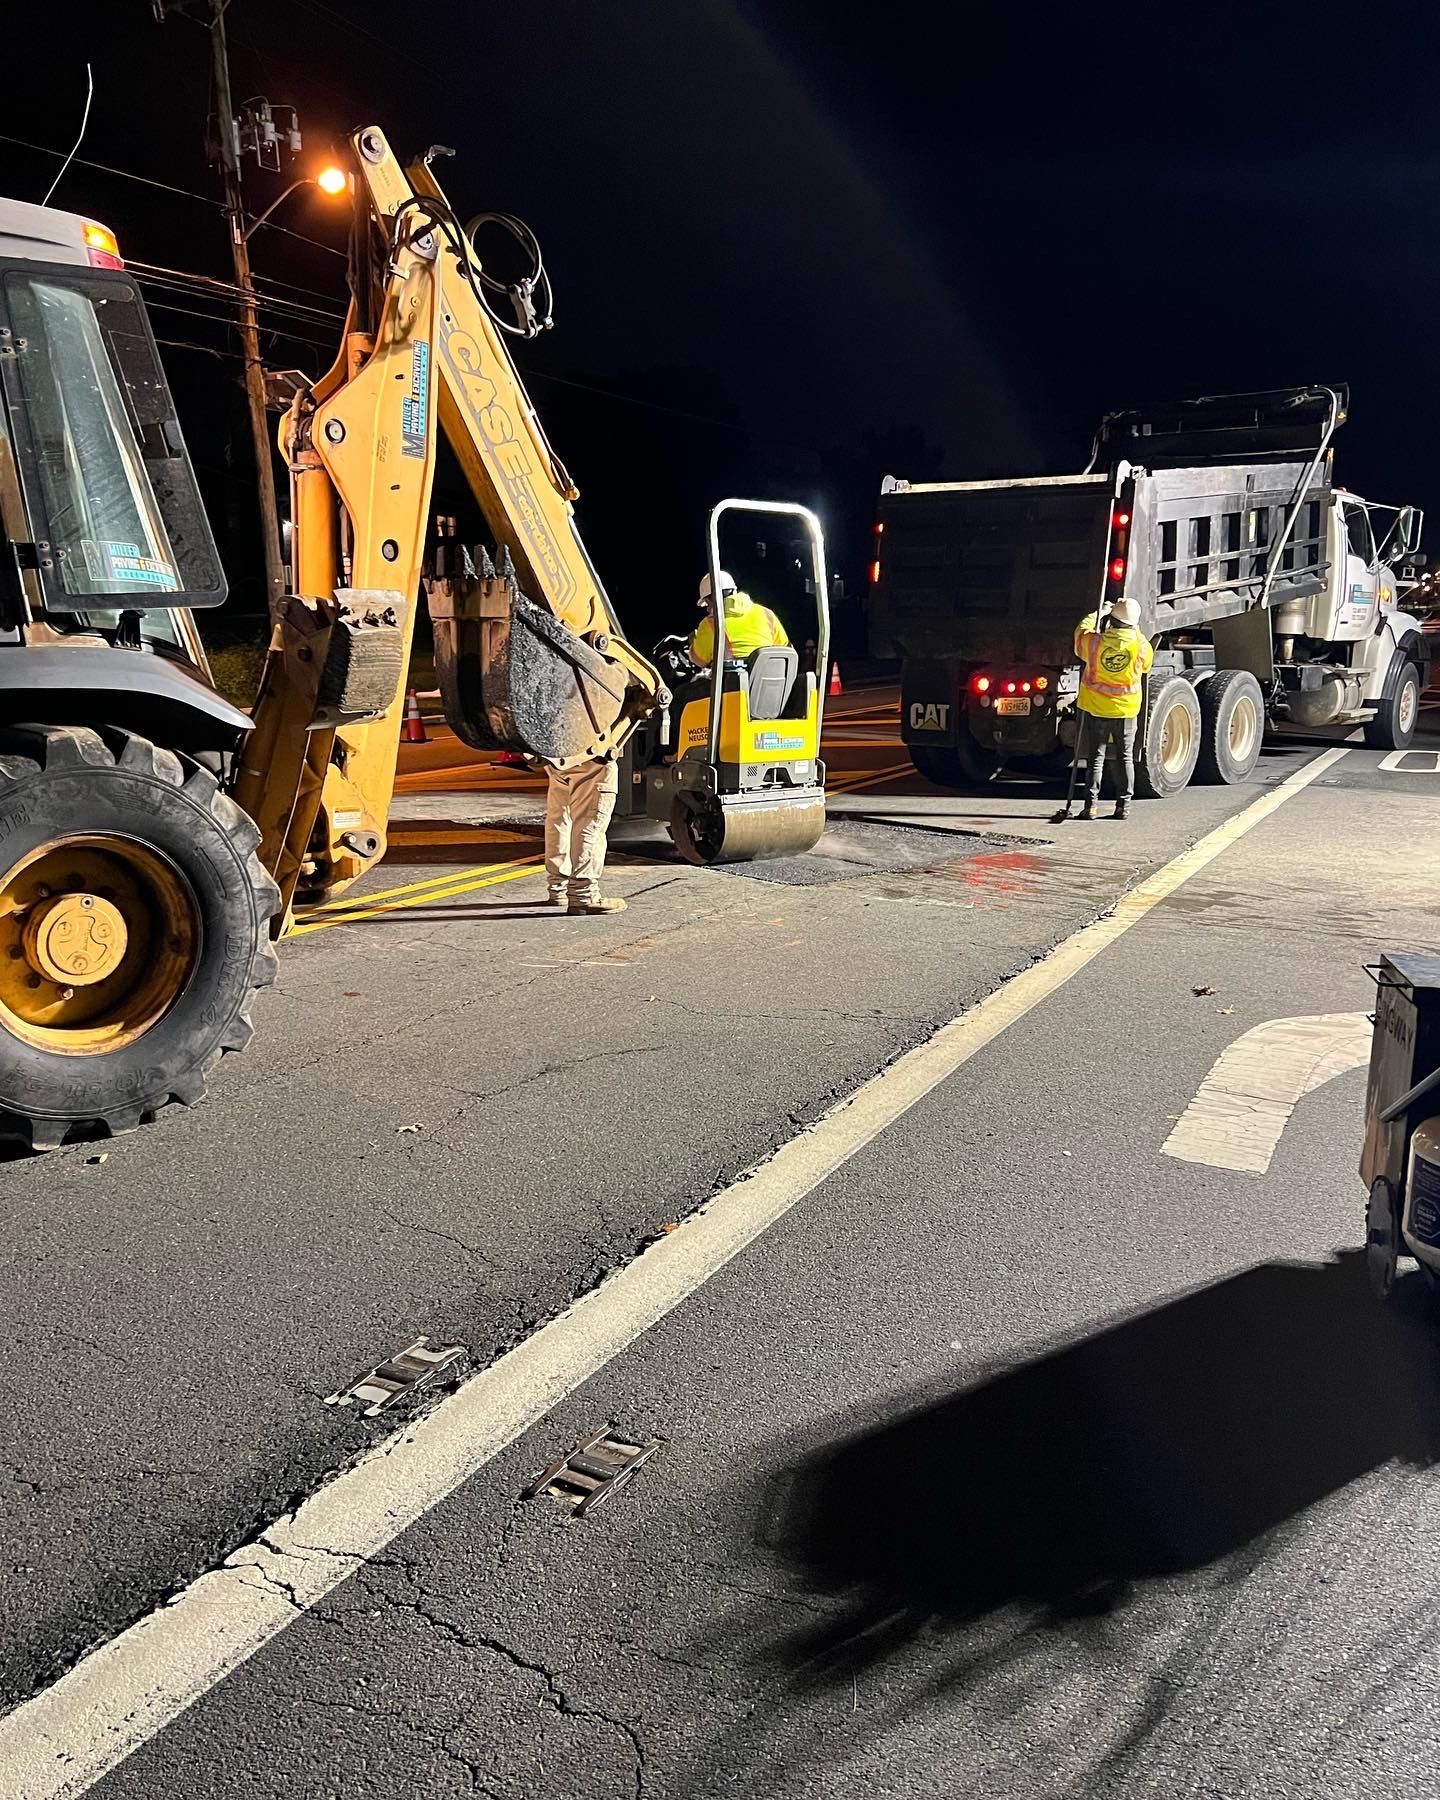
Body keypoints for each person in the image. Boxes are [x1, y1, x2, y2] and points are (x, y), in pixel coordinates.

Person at [1073, 596, 1154, 820]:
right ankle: (1123, 807)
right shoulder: (1141, 646)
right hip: (1127, 712)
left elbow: (1080, 632)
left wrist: (1099, 613)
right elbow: (1146, 665)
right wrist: (1135, 631)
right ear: (1134, 623)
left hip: (1097, 708)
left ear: (1112, 620)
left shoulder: (1094, 643)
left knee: (1095, 758)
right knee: (1125, 758)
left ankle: (1090, 807)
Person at [545, 756, 625, 914]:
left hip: (556, 757)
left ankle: (558, 887)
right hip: (592, 757)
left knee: (560, 819)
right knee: (590, 821)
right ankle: (583, 894)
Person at [689, 570, 789, 667]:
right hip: (771, 681)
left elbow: (699, 661)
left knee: (685, 685)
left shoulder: (711, 624)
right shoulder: (767, 614)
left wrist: (692, 643)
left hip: (733, 683)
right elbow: (785, 649)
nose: (707, 609)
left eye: (707, 603)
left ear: (713, 598)